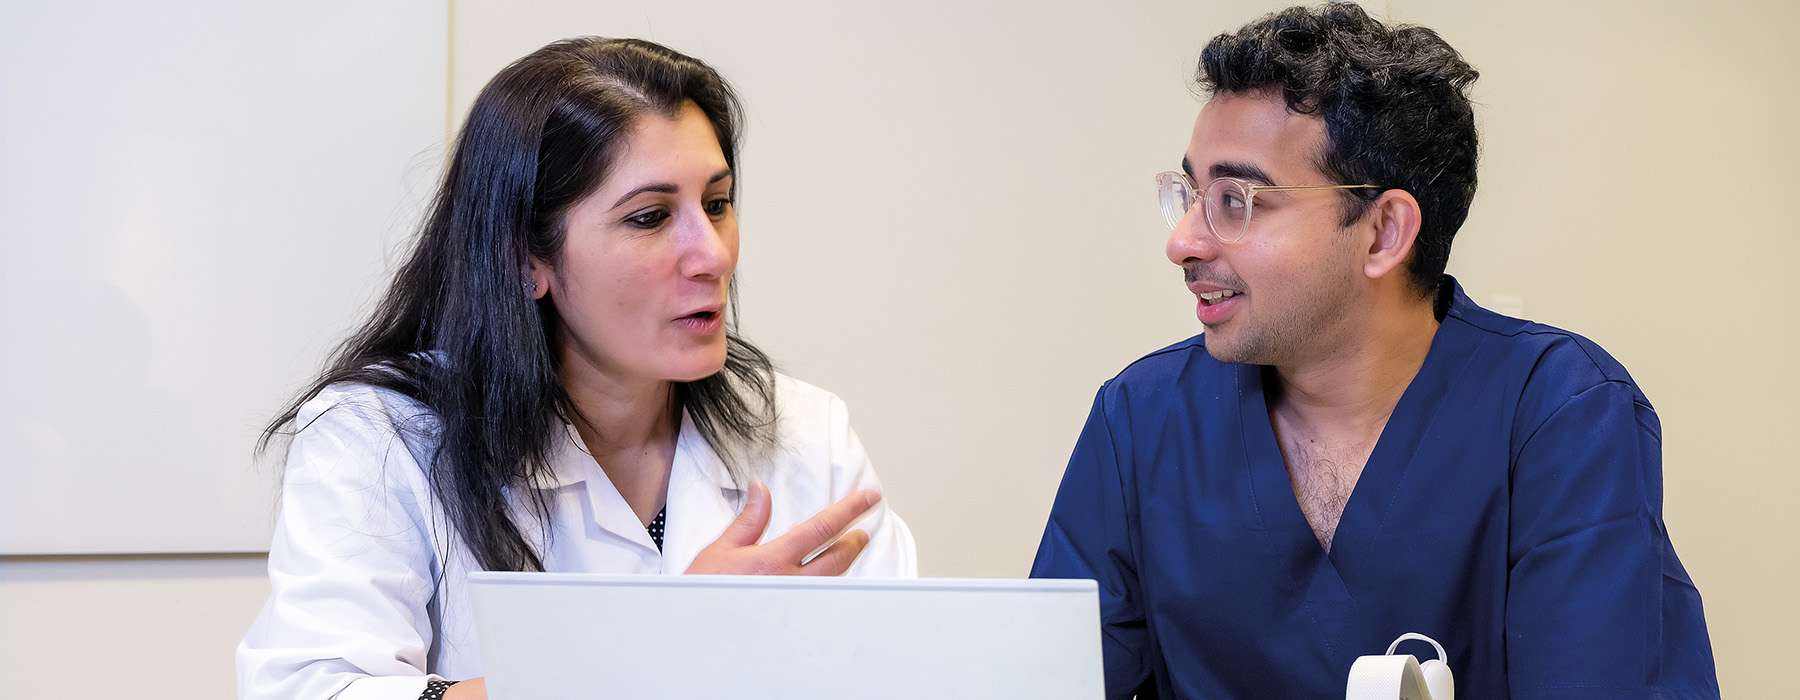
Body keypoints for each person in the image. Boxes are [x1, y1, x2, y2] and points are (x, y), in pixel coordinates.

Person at [1029, 4, 1717, 697]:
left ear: (1385, 231)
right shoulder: (1143, 422)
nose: (1183, 241)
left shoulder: (1558, 416)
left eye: (1237, 199)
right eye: (1189, 193)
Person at [237, 37, 916, 700]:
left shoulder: (803, 430)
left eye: (717, 204)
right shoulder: (381, 437)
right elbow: (316, 689)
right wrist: (657, 645)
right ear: (523, 257)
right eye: (650, 218)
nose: (711, 255)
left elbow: (907, 672)